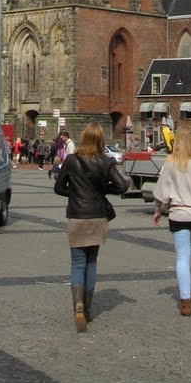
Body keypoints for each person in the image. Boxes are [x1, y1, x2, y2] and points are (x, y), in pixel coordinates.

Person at [54, 121, 128, 331]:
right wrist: (101, 191)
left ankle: (77, 305)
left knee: (78, 263)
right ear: (101, 140)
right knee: (92, 262)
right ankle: (86, 309)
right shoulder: (105, 161)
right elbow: (122, 185)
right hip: (97, 216)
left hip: (77, 216)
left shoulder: (71, 160)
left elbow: (58, 188)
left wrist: (75, 194)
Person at [152, 121, 191, 316]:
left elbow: (162, 190)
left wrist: (157, 209)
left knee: (181, 257)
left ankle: (185, 301)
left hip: (178, 214)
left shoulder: (170, 161)